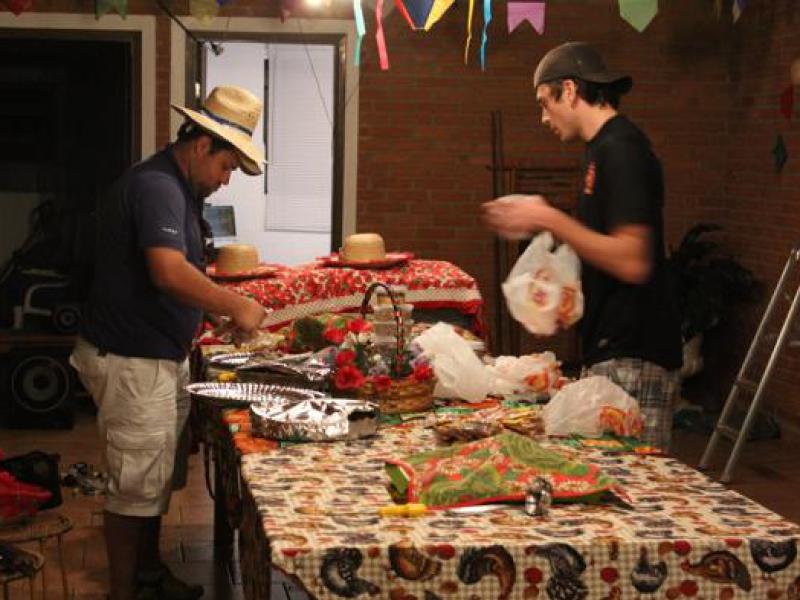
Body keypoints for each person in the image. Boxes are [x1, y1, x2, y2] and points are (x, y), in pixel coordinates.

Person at [70, 85, 268, 600]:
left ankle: (148, 576)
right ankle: (124, 592)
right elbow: (167, 271)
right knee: (135, 485)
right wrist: (235, 304)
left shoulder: (175, 187)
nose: (225, 180)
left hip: (155, 355)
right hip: (132, 360)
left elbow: (175, 277)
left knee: (153, 480)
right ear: (202, 145)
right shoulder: (158, 186)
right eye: (225, 167)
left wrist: (208, 312)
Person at [482, 42, 682, 451]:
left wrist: (548, 218)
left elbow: (632, 260)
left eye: (544, 102)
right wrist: (564, 294)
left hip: (636, 355)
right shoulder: (600, 149)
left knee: (631, 482)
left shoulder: (621, 148)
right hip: (612, 350)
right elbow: (605, 249)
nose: (543, 117)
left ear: (570, 90)